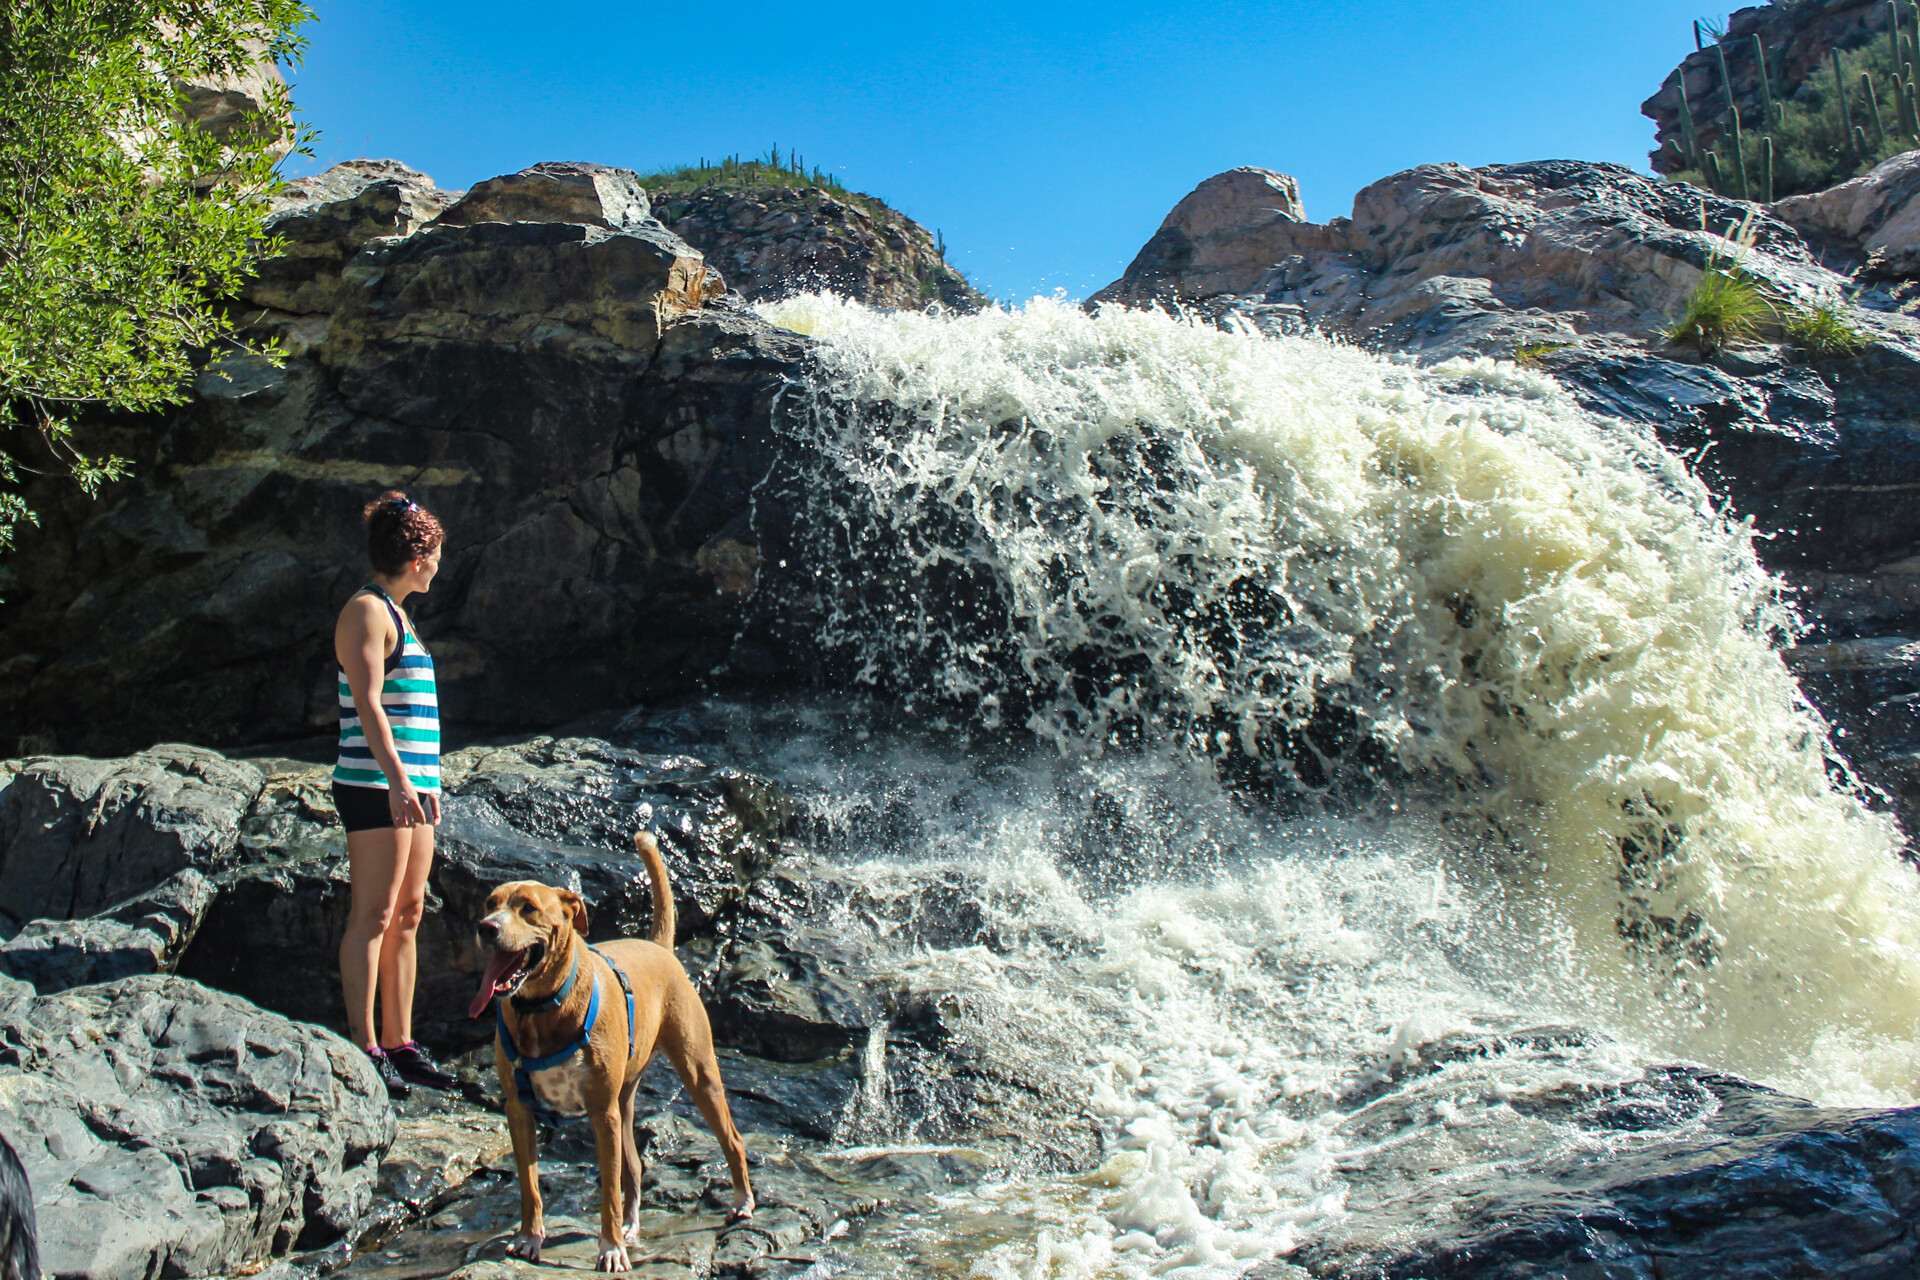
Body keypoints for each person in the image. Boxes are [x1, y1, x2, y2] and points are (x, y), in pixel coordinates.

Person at [333, 491, 459, 1098]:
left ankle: (401, 1042)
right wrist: (399, 781)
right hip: (374, 784)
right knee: (374, 916)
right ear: (417, 556)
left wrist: (421, 783)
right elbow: (368, 705)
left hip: (413, 789)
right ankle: (363, 1047)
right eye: (436, 554)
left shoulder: (401, 615)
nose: (439, 565)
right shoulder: (367, 612)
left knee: (409, 915)